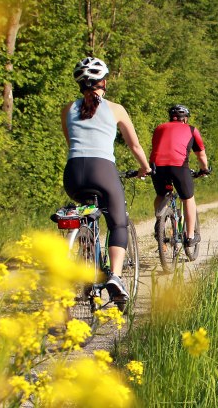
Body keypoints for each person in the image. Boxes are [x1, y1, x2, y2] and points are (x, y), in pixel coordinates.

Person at [62, 56, 152, 303]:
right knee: (118, 223)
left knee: (86, 213)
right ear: (103, 82)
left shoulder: (67, 109)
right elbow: (134, 145)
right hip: (102, 170)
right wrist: (145, 168)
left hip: (72, 173)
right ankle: (115, 276)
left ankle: (85, 262)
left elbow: (72, 143)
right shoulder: (116, 109)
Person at [149, 104, 209, 247]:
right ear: (185, 119)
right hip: (178, 166)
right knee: (188, 198)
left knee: (161, 194)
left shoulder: (159, 128)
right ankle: (190, 236)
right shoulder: (191, 129)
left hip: (157, 167)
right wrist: (204, 169)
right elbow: (201, 155)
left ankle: (160, 222)